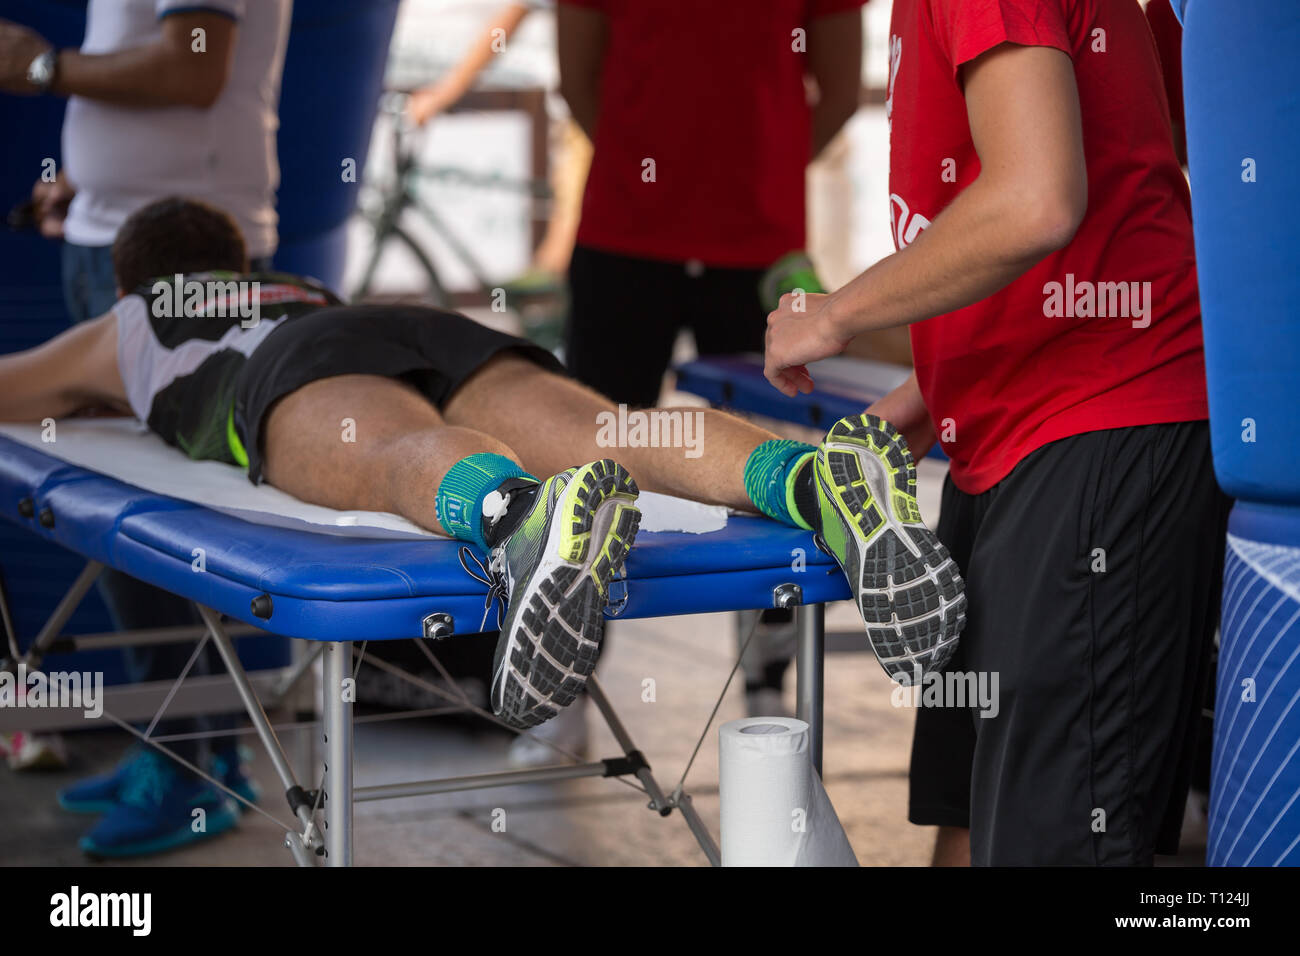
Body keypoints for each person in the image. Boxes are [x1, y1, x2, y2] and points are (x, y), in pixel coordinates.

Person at [0, 194, 967, 737]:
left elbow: (12, 390)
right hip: (421, 324)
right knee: (617, 430)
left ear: (134, 282)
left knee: (384, 452)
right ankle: (810, 481)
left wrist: (91, 377)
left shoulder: (135, 315)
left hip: (291, 373)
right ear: (241, 254)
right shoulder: (293, 280)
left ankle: (519, 516)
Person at [762, 0, 1227, 866]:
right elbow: (1129, 170)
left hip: (1100, 428)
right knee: (974, 809)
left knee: (1052, 839)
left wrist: (836, 314)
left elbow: (1036, 200)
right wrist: (928, 391)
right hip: (1011, 431)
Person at [0, 0, 292, 855]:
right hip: (115, 239)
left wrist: (41, 68)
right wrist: (93, 188)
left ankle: (191, 772)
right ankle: (191, 755)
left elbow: (195, 65)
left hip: (181, 266)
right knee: (132, 542)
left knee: (169, 530)